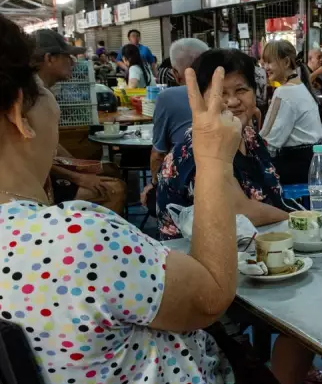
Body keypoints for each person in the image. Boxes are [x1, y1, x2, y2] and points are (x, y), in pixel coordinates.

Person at [0, 13, 322, 384]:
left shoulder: (47, 233)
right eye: (45, 90)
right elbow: (211, 295)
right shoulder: (77, 238)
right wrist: (213, 157)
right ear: (18, 114)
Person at [157, 49, 289, 240]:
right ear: (200, 99)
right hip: (200, 261)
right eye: (221, 94)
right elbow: (239, 211)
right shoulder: (198, 149)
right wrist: (297, 220)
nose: (233, 101)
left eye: (241, 90)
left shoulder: (249, 136)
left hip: (258, 248)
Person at [32, 29, 126, 214]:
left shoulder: (38, 91)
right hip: (36, 187)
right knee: (114, 189)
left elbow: (50, 145)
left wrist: (79, 166)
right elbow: (32, 153)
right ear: (49, 58)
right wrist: (78, 177)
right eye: (67, 56)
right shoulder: (33, 96)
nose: (73, 62)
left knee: (109, 170)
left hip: (41, 177)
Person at [139, 38, 209, 208]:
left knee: (152, 198)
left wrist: (154, 184)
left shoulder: (167, 97)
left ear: (176, 74)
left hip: (187, 187)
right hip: (232, 179)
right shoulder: (227, 93)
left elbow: (158, 154)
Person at [259, 40, 322, 184]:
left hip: (293, 165)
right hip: (311, 163)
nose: (265, 67)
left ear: (286, 62)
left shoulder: (284, 92)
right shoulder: (301, 87)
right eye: (264, 63)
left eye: (269, 62)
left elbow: (270, 140)